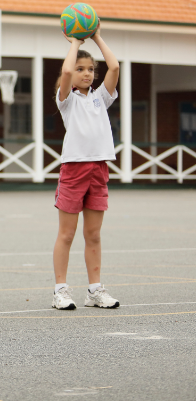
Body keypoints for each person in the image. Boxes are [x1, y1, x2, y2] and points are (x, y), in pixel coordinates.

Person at [52, 25, 121, 310]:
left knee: (93, 234)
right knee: (67, 234)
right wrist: (74, 42)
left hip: (98, 168)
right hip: (74, 169)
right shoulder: (66, 100)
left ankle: (94, 290)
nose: (87, 73)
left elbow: (114, 66)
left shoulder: (99, 98)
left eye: (91, 69)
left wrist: (96, 36)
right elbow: (66, 73)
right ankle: (60, 291)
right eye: (82, 68)